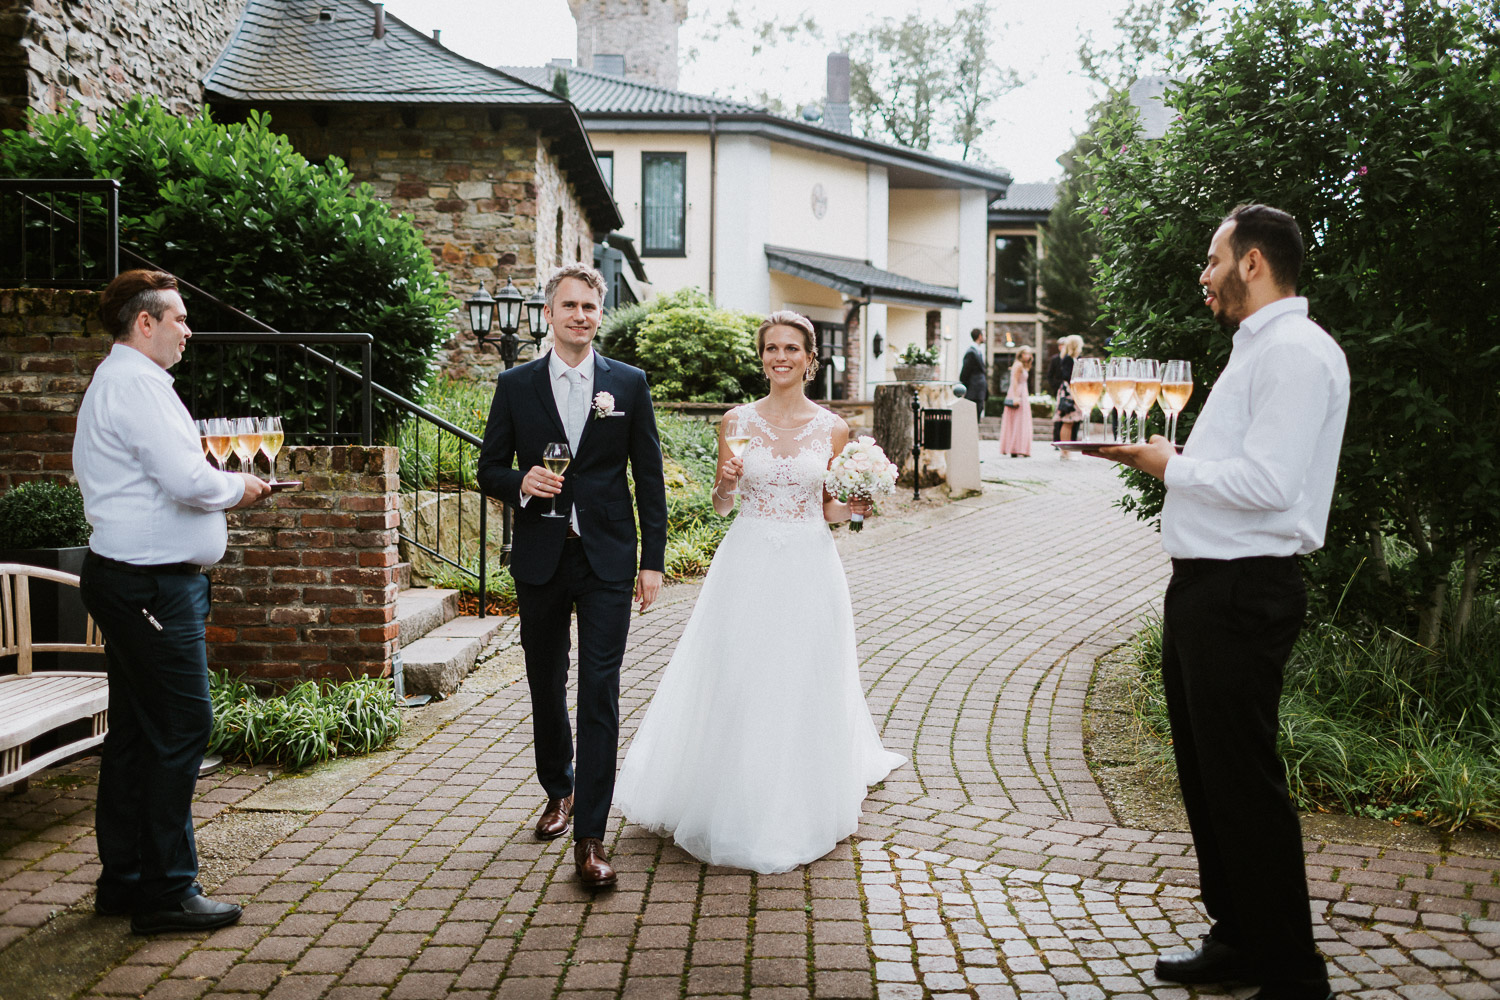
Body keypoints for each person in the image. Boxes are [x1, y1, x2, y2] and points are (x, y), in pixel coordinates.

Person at [1086, 204, 1347, 1000]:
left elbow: (1271, 486)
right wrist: (1156, 458)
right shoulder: (1258, 350)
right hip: (1207, 585)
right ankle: (1238, 935)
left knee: (1242, 781)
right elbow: (1239, 471)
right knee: (1206, 776)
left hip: (1245, 589)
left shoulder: (1298, 353)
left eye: (1212, 260)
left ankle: (1293, 973)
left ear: (1255, 263)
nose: (1204, 275)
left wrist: (1170, 465)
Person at [614, 311, 905, 874]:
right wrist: (725, 481)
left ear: (809, 357)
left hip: (808, 565)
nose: (780, 357)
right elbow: (723, 506)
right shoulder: (736, 420)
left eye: (791, 348)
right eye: (771, 347)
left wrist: (859, 505)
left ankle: (796, 796)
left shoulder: (832, 429)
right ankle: (729, 791)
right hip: (745, 562)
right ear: (762, 357)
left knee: (800, 674)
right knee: (740, 671)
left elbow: (830, 511)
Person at [73, 269, 271, 935]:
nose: (190, 331)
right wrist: (239, 486)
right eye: (180, 319)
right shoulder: (135, 383)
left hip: (137, 581)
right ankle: (167, 891)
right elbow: (186, 479)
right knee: (184, 725)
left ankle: (125, 880)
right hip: (149, 586)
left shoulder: (128, 381)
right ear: (145, 322)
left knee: (138, 733)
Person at [476, 263, 668, 890]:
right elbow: (488, 469)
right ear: (551, 312)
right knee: (545, 681)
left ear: (599, 313)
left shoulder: (628, 385)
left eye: (590, 306)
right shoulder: (516, 383)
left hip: (608, 557)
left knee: (601, 691)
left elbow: (649, 480)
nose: (580, 316)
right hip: (541, 557)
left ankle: (591, 836)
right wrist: (521, 482)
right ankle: (556, 789)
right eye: (569, 306)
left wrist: (652, 560)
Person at [997, 346, 1034, 457]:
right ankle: (1015, 448)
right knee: (1017, 421)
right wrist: (1016, 397)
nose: (1028, 356)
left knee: (1022, 421)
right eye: (1026, 353)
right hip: (1018, 392)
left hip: (1023, 392)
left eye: (1029, 353)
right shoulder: (1018, 365)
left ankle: (1021, 447)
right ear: (1021, 354)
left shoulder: (1024, 366)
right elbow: (1014, 381)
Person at [1052, 335, 1084, 455]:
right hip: (1068, 392)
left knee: (1071, 421)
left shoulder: (1074, 358)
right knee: (1067, 421)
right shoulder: (1068, 359)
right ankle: (1065, 452)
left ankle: (1067, 451)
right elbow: (1066, 376)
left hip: (1073, 391)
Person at [958, 327, 987, 421]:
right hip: (973, 391)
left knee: (978, 413)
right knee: (972, 417)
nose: (985, 337)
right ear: (980, 336)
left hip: (979, 391)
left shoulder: (978, 351)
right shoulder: (971, 353)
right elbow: (965, 372)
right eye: (984, 335)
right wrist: (965, 388)